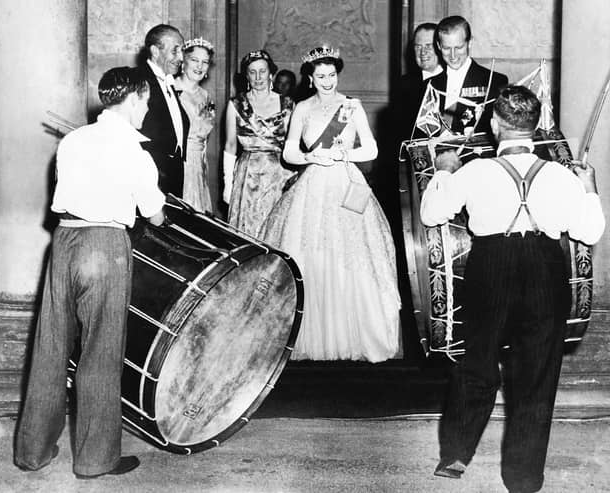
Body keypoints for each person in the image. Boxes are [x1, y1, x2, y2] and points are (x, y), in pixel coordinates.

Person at [420, 85, 605, 492]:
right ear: (536, 127)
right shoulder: (561, 175)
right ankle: (523, 479)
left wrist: (445, 169)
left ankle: (455, 453)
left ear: (495, 124)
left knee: (478, 361)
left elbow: (432, 213)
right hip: (544, 268)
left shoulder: (476, 171)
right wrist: (590, 186)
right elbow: (589, 231)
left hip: (491, 266)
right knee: (536, 375)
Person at [14, 67, 166, 479]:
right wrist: (160, 206)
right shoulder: (136, 152)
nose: (146, 111)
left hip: (63, 243)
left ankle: (32, 451)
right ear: (133, 98)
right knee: (101, 351)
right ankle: (96, 459)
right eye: (146, 102)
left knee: (49, 347)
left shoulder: (73, 141)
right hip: (105, 245)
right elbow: (153, 214)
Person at [259, 46, 401, 362]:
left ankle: (359, 333)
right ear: (310, 78)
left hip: (346, 185)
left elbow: (372, 150)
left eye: (332, 75)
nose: (327, 81)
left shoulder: (351, 107)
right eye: (320, 76)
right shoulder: (303, 109)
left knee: (351, 256)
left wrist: (344, 154)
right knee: (312, 253)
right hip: (313, 187)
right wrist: (311, 156)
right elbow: (289, 153)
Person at [223, 49, 295, 237]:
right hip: (248, 177)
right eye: (252, 72)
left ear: (271, 73)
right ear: (246, 76)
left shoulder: (288, 104)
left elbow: (293, 145)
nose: (258, 77)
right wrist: (227, 185)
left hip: (279, 175)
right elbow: (230, 146)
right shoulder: (236, 104)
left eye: (262, 71)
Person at [429, 15, 508, 136]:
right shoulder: (431, 84)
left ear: (469, 43)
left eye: (459, 47)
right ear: (438, 46)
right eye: (446, 48)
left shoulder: (495, 81)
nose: (453, 55)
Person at [138, 24, 190, 196]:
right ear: (155, 51)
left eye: (181, 51)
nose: (181, 57)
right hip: (151, 175)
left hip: (173, 175)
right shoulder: (139, 81)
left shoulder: (168, 82)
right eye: (175, 50)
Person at [175, 37, 216, 212]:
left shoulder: (205, 96)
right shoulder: (172, 90)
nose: (199, 66)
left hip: (199, 165)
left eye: (205, 62)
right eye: (194, 60)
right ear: (183, 62)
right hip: (179, 164)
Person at [400, 23, 444, 139]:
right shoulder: (403, 85)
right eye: (418, 46)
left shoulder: (452, 82)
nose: (423, 52)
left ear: (440, 47)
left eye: (429, 46)